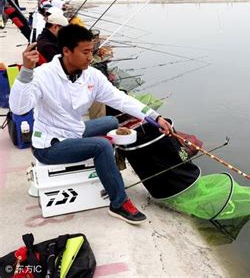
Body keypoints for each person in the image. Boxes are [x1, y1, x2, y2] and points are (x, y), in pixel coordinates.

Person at [9, 24, 173, 224]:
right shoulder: (43, 75)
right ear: (66, 51)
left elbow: (120, 99)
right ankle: (118, 203)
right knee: (102, 145)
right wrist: (26, 71)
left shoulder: (92, 75)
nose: (90, 57)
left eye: (92, 51)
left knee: (112, 120)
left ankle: (111, 164)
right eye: (85, 52)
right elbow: (18, 108)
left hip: (74, 132)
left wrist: (155, 117)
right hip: (49, 145)